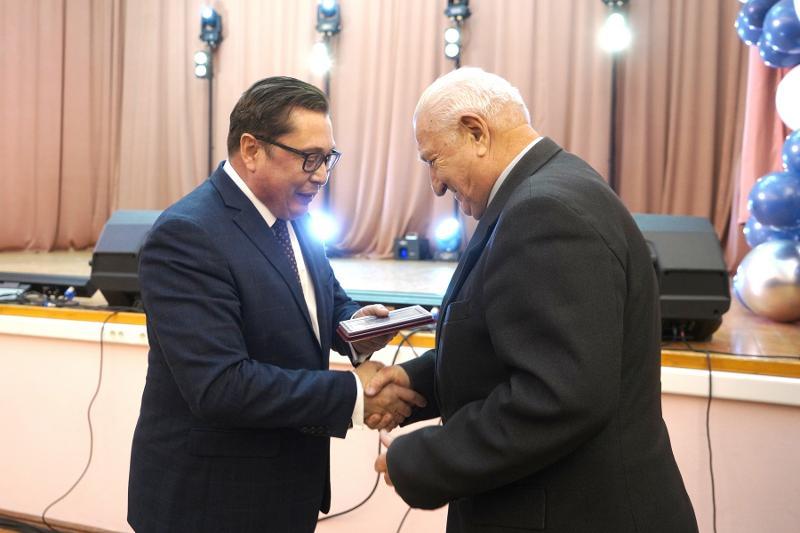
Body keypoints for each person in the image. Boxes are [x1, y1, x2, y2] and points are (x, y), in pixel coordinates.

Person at [370, 68, 699, 532]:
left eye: (434, 160)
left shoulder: (544, 211)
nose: (435, 184)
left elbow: (557, 396)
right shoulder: (550, 188)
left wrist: (424, 458)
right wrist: (416, 380)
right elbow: (515, 344)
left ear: (476, 132)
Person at [127, 76, 425, 533]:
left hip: (287, 488)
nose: (321, 175)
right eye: (309, 158)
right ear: (251, 150)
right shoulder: (188, 234)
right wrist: (353, 393)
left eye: (328, 159)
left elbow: (322, 304)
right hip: (211, 501)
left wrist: (355, 328)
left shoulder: (294, 216)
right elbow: (220, 385)